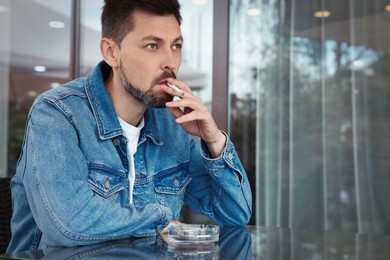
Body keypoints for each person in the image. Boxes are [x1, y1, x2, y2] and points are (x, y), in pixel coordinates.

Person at [7, 0, 252, 253]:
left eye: (176, 46)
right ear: (111, 52)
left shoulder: (174, 124)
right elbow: (69, 224)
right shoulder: (57, 113)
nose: (170, 62)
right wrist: (160, 220)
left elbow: (235, 215)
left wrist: (214, 141)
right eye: (152, 45)